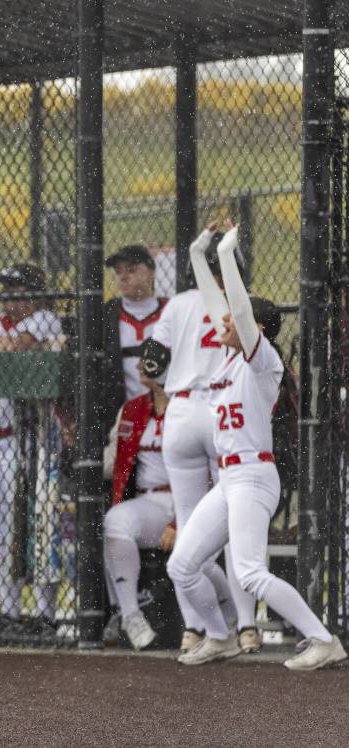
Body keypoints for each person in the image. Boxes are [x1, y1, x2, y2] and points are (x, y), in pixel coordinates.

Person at [167, 223, 347, 669]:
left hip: (252, 475)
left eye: (234, 318)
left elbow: (241, 315)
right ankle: (219, 635)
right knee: (182, 565)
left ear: (257, 326)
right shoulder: (230, 358)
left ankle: (323, 640)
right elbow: (219, 304)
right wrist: (197, 252)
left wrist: (228, 252)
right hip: (229, 478)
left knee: (249, 571)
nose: (223, 321)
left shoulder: (262, 356)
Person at [141, 233, 258, 655]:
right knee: (233, 519)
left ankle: (196, 628)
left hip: (181, 412)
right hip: (225, 410)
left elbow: (151, 364)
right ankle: (246, 625)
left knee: (191, 523)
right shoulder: (240, 302)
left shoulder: (179, 304)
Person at [0, 263, 64, 635]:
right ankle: (11, 610)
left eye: (16, 289)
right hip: (2, 440)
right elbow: (2, 349)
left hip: (40, 435)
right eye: (6, 289)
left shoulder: (46, 318)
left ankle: (48, 613)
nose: (8, 296)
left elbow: (12, 349)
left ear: (33, 293)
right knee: (4, 530)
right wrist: (1, 346)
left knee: (44, 521)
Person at [101, 365, 174, 650]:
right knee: (116, 521)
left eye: (151, 359)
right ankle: (130, 615)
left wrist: (180, 521)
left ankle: (230, 622)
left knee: (199, 559)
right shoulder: (132, 409)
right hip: (151, 501)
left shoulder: (189, 407)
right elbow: (112, 462)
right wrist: (85, 457)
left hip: (190, 500)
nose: (140, 365)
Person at [101, 245, 168, 433]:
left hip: (166, 410)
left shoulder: (170, 311)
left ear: (151, 273)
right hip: (121, 414)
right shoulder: (106, 315)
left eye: (131, 270)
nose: (123, 276)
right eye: (118, 271)